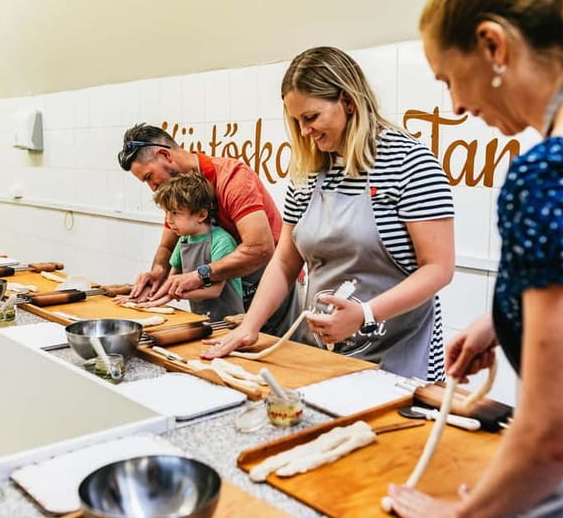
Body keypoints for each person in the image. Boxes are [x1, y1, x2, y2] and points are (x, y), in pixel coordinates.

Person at [388, 0, 563, 518]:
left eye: (448, 79)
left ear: (492, 45)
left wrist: (462, 516)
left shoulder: (554, 170)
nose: (456, 106)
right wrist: (504, 318)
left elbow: (557, 435)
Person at [202, 46, 455, 381]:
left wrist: (365, 314)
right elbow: (284, 262)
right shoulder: (308, 174)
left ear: (348, 102)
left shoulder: (408, 163)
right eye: (296, 121)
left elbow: (438, 268)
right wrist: (250, 326)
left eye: (311, 117)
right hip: (326, 353)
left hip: (401, 359)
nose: (305, 131)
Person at [118, 123, 298, 335]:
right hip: (226, 302)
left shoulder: (233, 179)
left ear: (165, 155)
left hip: (270, 290)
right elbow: (167, 247)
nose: (152, 187)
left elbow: (259, 249)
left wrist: (199, 276)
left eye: (149, 177)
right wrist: (158, 271)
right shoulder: (177, 192)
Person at [119, 172, 244, 321]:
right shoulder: (184, 240)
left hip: (229, 320)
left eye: (175, 213)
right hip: (201, 317)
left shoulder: (221, 241)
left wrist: (173, 295)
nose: (168, 220)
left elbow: (214, 290)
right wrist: (146, 299)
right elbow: (171, 281)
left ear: (201, 215)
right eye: (166, 213)